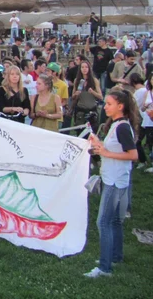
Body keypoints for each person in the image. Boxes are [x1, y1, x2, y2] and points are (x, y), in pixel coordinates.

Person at [84, 90, 138, 278]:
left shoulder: (122, 127)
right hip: (116, 178)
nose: (105, 107)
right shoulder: (117, 125)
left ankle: (105, 268)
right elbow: (114, 148)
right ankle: (115, 256)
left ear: (120, 106)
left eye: (108, 104)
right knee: (114, 221)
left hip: (115, 181)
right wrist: (99, 145)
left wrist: (106, 153)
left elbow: (133, 155)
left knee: (103, 222)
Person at [71, 59, 103, 128]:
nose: (84, 69)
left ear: (89, 68)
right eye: (82, 67)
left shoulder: (94, 80)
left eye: (86, 67)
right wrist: (76, 94)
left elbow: (101, 97)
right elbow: (72, 97)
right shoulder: (77, 80)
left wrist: (93, 92)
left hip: (92, 110)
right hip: (80, 110)